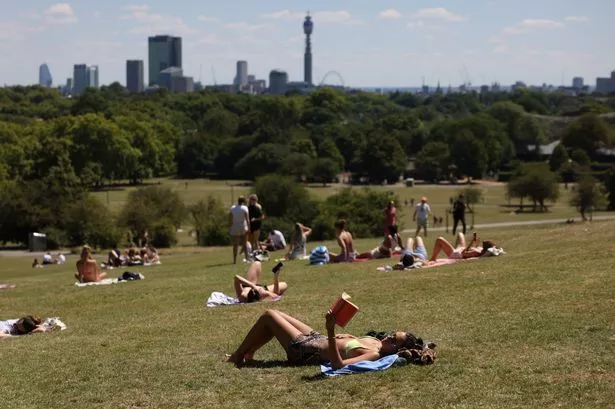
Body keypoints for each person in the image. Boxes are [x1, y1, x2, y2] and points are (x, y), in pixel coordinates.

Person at [226, 309, 434, 368]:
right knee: (275, 313)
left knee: (268, 316)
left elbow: (338, 364)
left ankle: (237, 355)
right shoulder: (377, 343)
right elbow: (351, 341)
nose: (388, 336)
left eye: (393, 339)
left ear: (395, 350)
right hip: (317, 338)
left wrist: (332, 332)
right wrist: (347, 335)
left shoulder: (372, 354)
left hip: (305, 350)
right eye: (392, 333)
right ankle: (249, 352)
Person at [429, 232, 495, 262]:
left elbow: (463, 253)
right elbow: (473, 249)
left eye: (487, 241)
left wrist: (471, 242)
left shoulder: (476, 252)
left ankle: (433, 259)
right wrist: (476, 243)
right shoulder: (481, 249)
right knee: (460, 234)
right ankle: (454, 247)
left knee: (439, 239)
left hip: (455, 254)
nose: (486, 240)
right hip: (461, 249)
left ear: (486, 247)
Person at [228, 196, 250, 264]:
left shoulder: (232, 208)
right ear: (243, 201)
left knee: (235, 245)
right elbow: (247, 219)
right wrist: (249, 228)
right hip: (243, 226)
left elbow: (230, 219)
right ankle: (247, 259)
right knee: (244, 244)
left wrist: (229, 228)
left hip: (235, 227)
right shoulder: (245, 208)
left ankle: (234, 260)